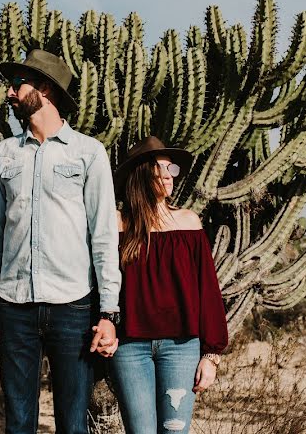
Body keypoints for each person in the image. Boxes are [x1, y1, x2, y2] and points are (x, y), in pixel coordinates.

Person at [0, 49, 122, 434]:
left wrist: (108, 313)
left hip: (73, 306)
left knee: (73, 425)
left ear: (44, 89)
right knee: (18, 422)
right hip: (13, 305)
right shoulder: (4, 154)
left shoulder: (89, 152)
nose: (9, 92)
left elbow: (104, 236)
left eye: (17, 84)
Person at [108, 136, 228, 434]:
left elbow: (208, 292)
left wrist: (212, 355)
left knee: (175, 431)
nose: (167, 175)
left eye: (170, 168)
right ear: (139, 176)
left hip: (181, 348)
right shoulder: (116, 224)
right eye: (157, 168)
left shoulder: (189, 223)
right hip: (129, 347)